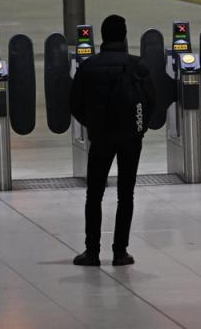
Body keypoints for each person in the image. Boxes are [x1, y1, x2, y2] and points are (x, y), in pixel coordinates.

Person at [69, 15, 155, 267]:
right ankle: (120, 252)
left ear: (103, 37)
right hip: (131, 137)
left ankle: (92, 252)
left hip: (101, 138)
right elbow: (151, 101)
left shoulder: (89, 67)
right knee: (125, 194)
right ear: (124, 36)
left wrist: (93, 124)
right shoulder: (138, 66)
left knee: (94, 194)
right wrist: (139, 127)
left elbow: (74, 103)